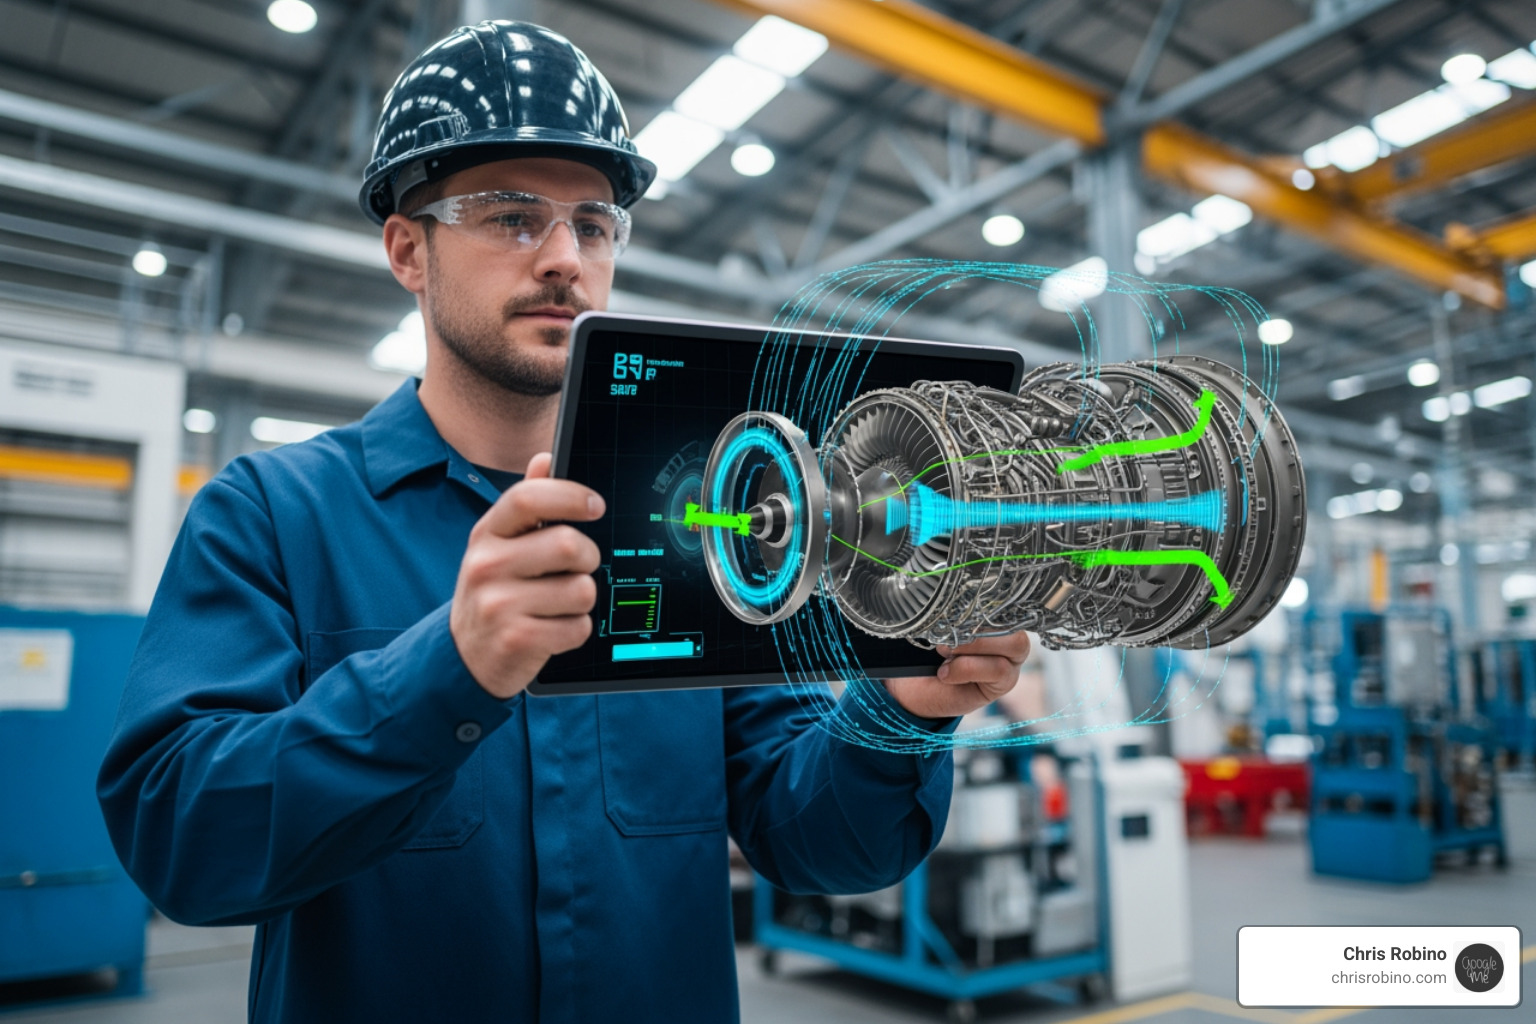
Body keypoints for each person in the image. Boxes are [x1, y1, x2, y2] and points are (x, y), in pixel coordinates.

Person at [97, 21, 1029, 1023]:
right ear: (408, 250)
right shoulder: (274, 515)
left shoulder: (707, 533)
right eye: (510, 217)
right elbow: (181, 845)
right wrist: (441, 671)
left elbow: (818, 841)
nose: (563, 259)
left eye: (592, 225)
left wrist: (897, 710)